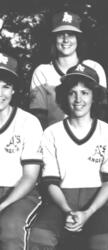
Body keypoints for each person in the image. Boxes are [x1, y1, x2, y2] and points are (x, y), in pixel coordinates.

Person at [28, 63, 108, 250]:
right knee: (40, 238)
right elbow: (50, 181)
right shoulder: (52, 133)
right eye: (72, 93)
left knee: (104, 243)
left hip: (97, 203)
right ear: (64, 97)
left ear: (95, 97)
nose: (78, 99)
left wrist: (88, 212)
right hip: (61, 201)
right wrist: (68, 210)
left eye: (85, 93)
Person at [29, 10, 107, 129]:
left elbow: (102, 111)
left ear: (78, 38)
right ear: (54, 39)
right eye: (60, 34)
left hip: (90, 136)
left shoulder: (94, 68)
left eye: (70, 34)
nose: (66, 40)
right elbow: (39, 117)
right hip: (55, 137)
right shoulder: (42, 72)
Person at [0, 52, 43, 250]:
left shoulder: (28, 122)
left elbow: (29, 177)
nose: (0, 93)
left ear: (14, 90)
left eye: (6, 87)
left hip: (20, 193)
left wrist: (2, 205)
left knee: (9, 228)